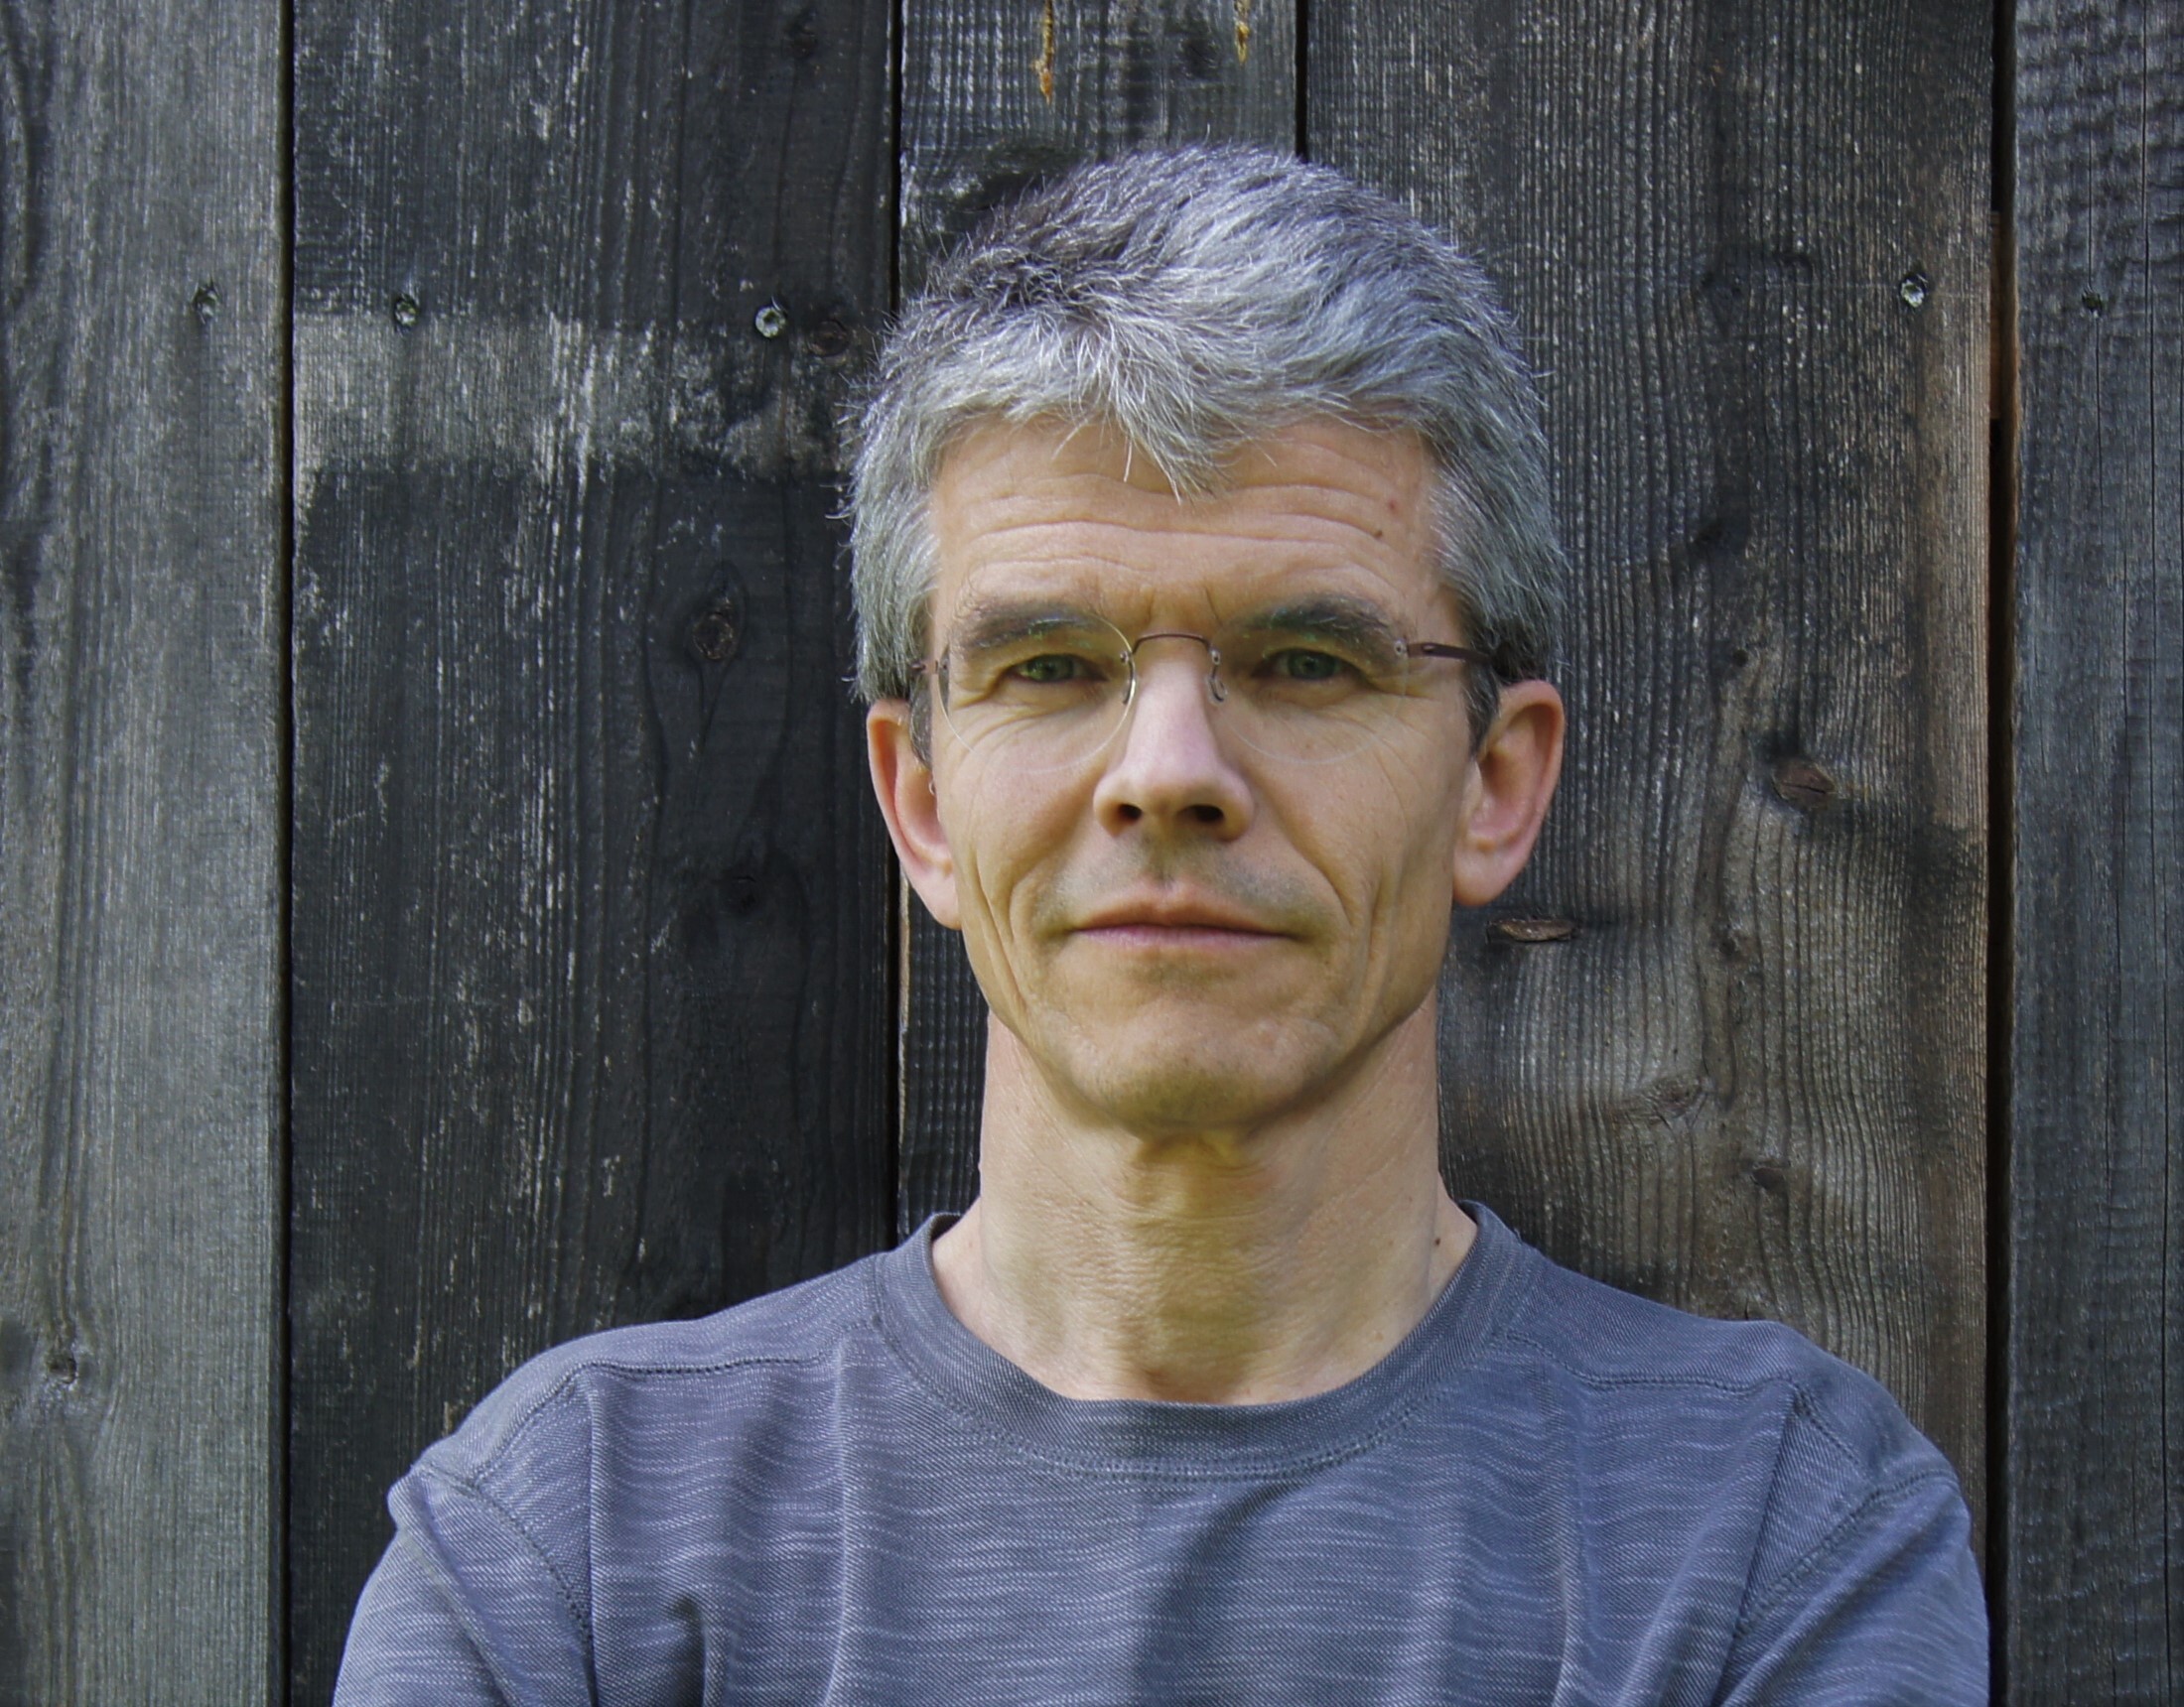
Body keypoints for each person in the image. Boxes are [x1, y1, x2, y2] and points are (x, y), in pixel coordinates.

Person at [336, 144, 1987, 1703]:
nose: (1169, 772)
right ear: (921, 800)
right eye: (1050, 665)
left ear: (1493, 784)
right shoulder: (570, 1551)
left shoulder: (1776, 1533)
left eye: (1307, 662)